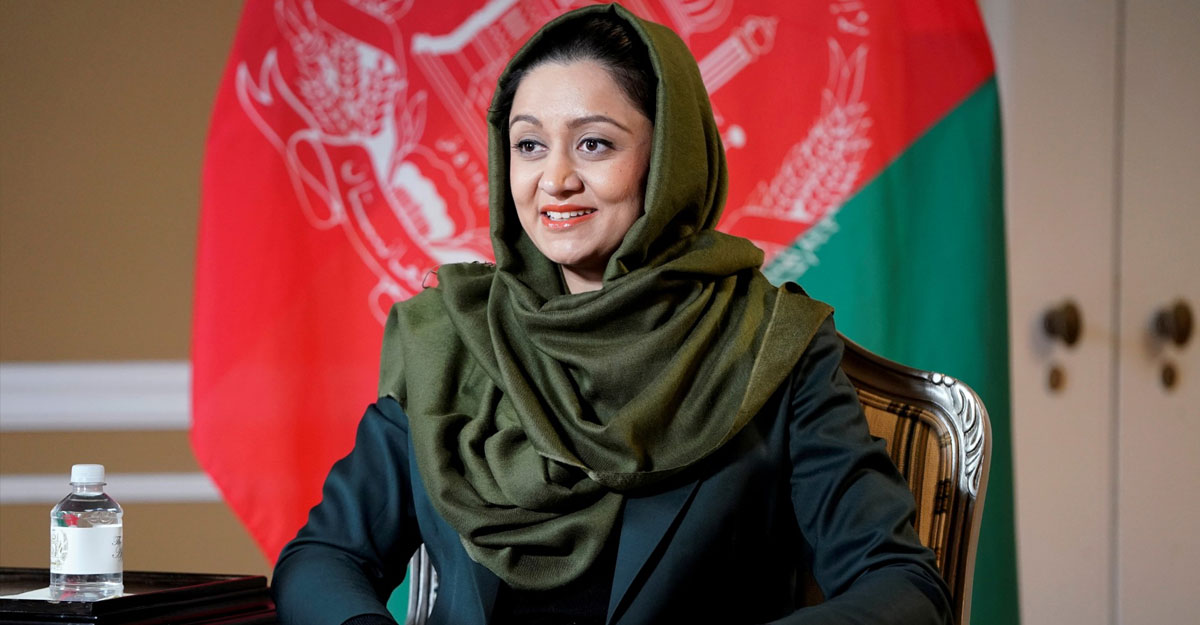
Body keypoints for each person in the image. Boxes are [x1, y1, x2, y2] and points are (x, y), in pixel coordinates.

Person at [271, 4, 952, 624]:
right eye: (529, 145)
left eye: (594, 143)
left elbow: (902, 584)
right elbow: (324, 556)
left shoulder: (771, 345)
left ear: (669, 158)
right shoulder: (449, 339)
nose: (555, 180)